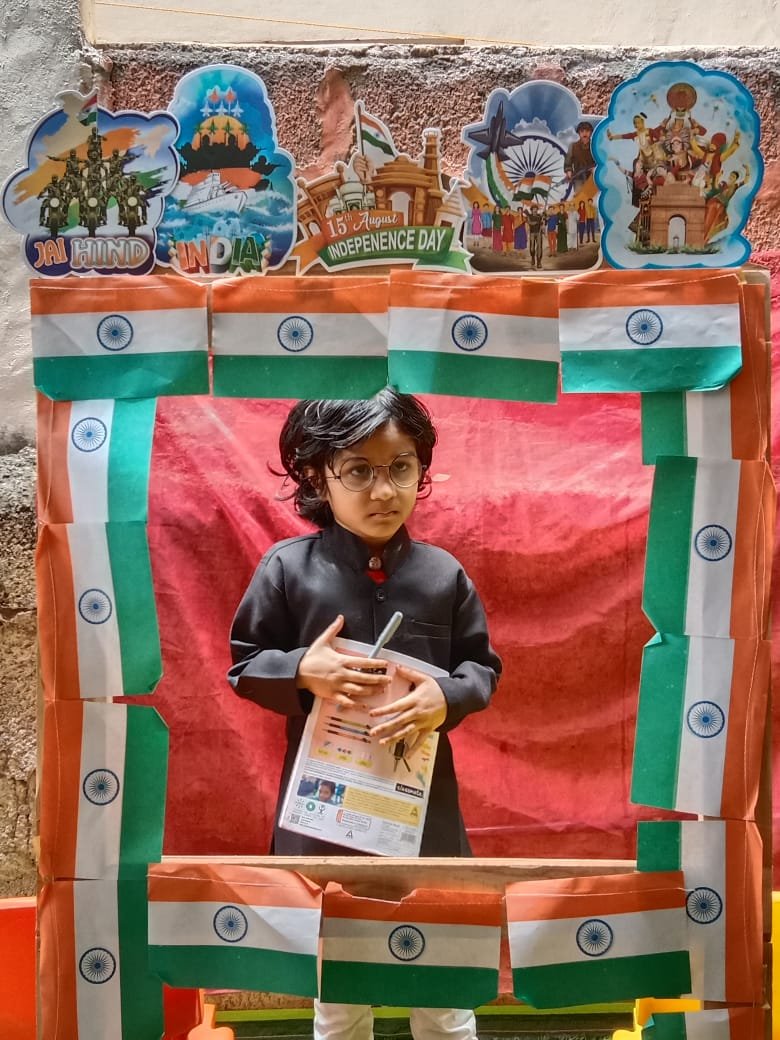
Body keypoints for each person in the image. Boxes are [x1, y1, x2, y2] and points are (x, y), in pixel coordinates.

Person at [228, 390, 501, 1040]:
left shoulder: (443, 575)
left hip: (422, 814)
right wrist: (302, 669)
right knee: (340, 996)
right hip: (324, 816)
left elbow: (482, 668)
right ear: (317, 475)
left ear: (421, 468)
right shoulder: (287, 570)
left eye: (400, 467)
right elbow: (244, 664)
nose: (384, 490)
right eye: (359, 471)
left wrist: (445, 697)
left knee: (442, 990)